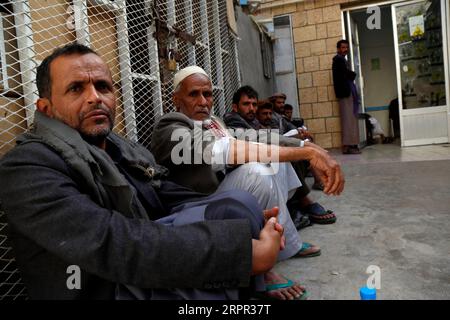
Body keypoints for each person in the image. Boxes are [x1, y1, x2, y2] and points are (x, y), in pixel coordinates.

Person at [0, 43, 286, 300]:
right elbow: (112, 242)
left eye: (103, 87)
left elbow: (159, 192)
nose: (94, 98)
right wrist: (239, 254)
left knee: (240, 207)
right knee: (224, 258)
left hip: (136, 246)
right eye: (76, 89)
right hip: (99, 284)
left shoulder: (115, 146)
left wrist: (244, 221)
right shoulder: (27, 167)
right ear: (46, 108)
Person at [151, 69, 344, 299]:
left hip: (224, 197)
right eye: (194, 94)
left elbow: (254, 138)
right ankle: (264, 270)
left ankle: (286, 245)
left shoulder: (214, 122)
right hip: (196, 207)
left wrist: (305, 145)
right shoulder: (169, 127)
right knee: (256, 172)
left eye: (208, 94)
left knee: (276, 161)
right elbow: (224, 150)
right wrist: (304, 155)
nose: (203, 102)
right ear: (176, 99)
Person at [226, 86, 337, 225]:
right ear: (235, 107)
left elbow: (268, 137)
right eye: (246, 104)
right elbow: (257, 140)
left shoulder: (253, 120)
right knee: (284, 155)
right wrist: (302, 146)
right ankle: (300, 204)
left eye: (254, 104)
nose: (252, 108)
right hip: (241, 171)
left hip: (255, 161)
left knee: (288, 153)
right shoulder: (233, 120)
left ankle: (294, 206)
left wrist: (302, 144)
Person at [332, 39, 361, 154]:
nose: (345, 50)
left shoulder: (341, 60)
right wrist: (353, 74)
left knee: (350, 119)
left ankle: (350, 145)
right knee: (349, 120)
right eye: (343, 47)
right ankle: (349, 146)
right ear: (338, 49)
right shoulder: (339, 59)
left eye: (346, 47)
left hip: (346, 93)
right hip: (345, 94)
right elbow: (345, 74)